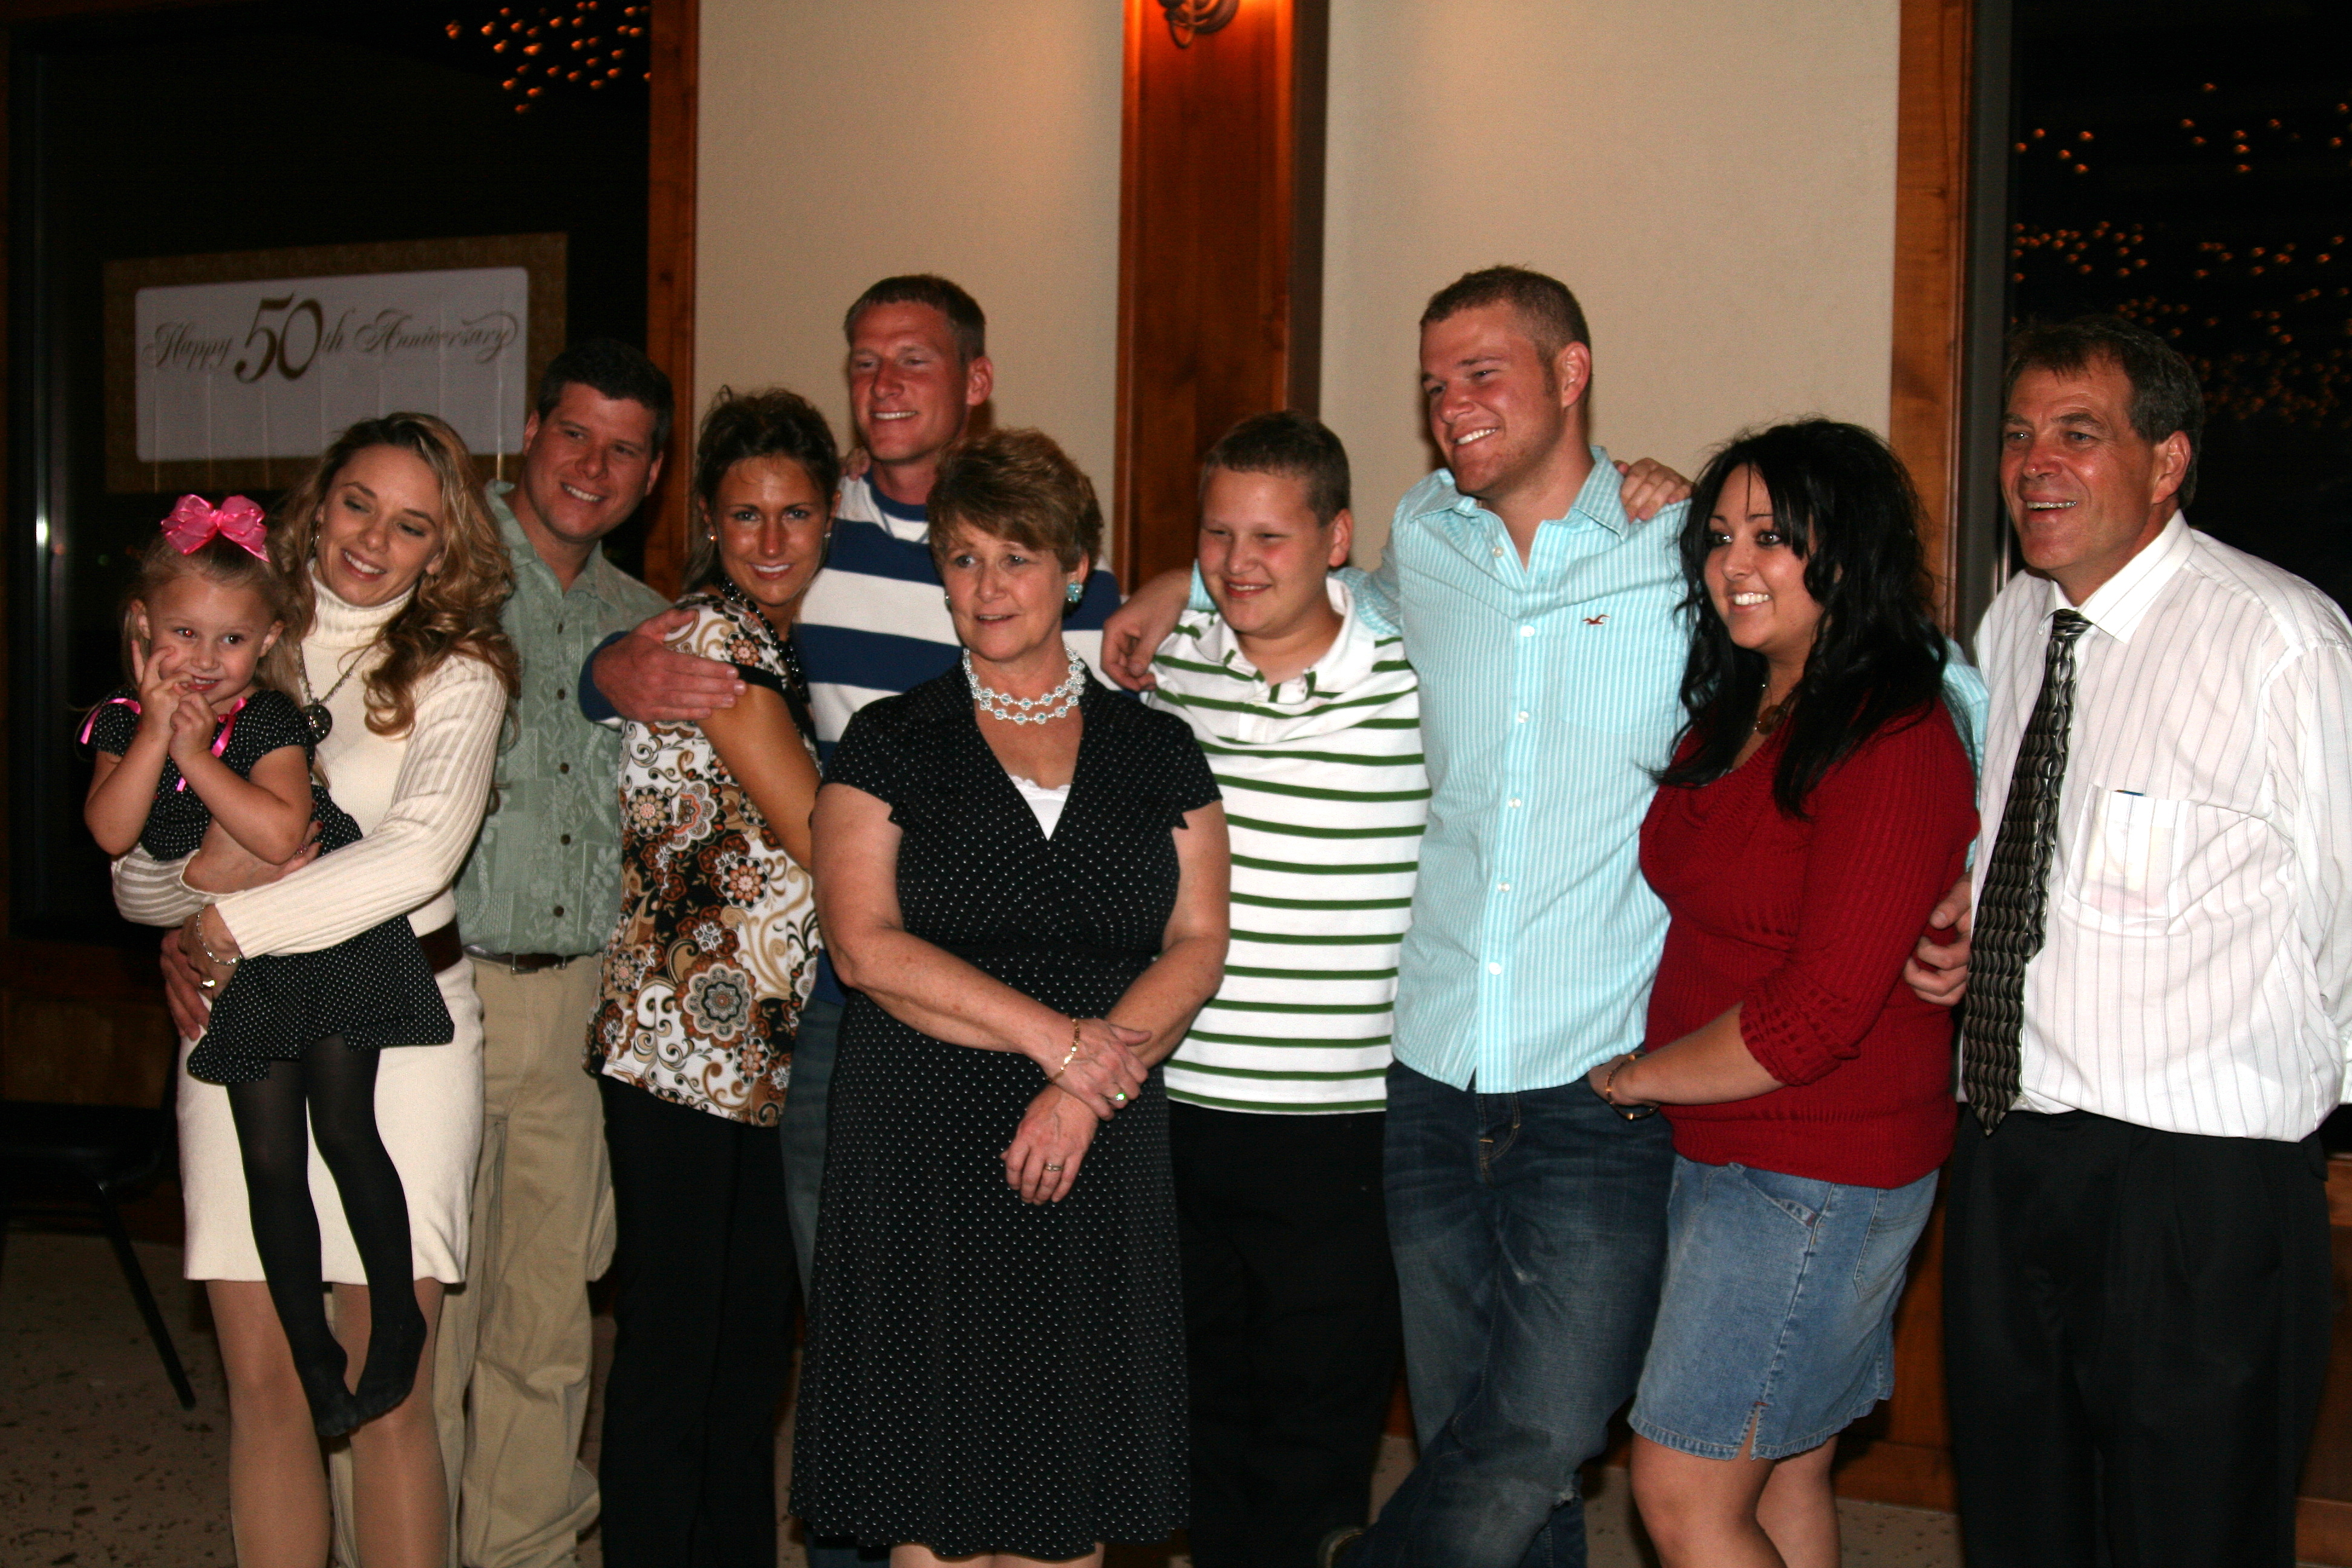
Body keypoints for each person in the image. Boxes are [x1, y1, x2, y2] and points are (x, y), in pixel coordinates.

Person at [1103, 267, 1981, 1568]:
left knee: (1543, 1428)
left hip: (1601, 1078)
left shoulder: (1685, 549)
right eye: (1434, 383)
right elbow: (1316, 593)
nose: (1453, 404)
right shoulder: (1426, 538)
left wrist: (1958, 875)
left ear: (1572, 374)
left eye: (1484, 372)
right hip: (1430, 1066)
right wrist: (1179, 580)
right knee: (1478, 1432)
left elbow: (1920, 668)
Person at [578, 277, 1122, 1322]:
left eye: (914, 360)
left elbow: (1124, 740)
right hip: (840, 996)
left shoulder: (1041, 561)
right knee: (847, 1297)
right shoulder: (812, 544)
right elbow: (692, 633)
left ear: (977, 381)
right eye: (864, 362)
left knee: (1010, 1299)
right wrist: (603, 671)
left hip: (1012, 987)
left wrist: (1173, 593)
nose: (884, 384)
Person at [1943, 316, 2352, 1568]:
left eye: (2080, 434)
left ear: (2167, 462)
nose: (2036, 464)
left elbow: (2344, 906)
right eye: (2019, 434)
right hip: (2009, 1145)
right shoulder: (2015, 623)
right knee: (2021, 1520)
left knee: (2195, 1533)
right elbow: (2016, 854)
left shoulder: (2279, 638)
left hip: (2199, 1181)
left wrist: (2304, 1118)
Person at [789, 428, 1229, 1567]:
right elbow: (864, 947)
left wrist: (1085, 1088)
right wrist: (1058, 1045)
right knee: (930, 1514)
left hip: (1098, 1138)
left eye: (1018, 557)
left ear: (1076, 571)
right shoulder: (889, 741)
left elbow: (1198, 945)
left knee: (1063, 1498)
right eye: (965, 558)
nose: (989, 587)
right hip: (920, 1139)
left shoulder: (1158, 749)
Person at [122, 413, 518, 1568]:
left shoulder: (460, 672)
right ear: (319, 501)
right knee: (267, 1389)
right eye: (358, 504)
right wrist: (188, 911)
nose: (373, 540)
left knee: (390, 1401)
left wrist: (226, 919)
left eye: (412, 525)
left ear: (444, 550)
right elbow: (138, 875)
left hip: (403, 1039)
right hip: (240, 1022)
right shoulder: (234, 639)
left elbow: (417, 857)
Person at [1586, 422, 1976, 1568]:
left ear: (1846, 552)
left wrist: (1634, 1079)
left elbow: (1813, 1019)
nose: (1734, 564)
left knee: (1682, 1493)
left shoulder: (1892, 735)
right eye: (1718, 538)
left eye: (1772, 536)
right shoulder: (1748, 703)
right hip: (1736, 1148)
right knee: (1786, 1465)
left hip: (1815, 1165)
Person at [87, 498, 462, 1439]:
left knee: (344, 1129)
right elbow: (111, 832)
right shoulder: (120, 724)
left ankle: (398, 1319)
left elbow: (281, 829)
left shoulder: (267, 719)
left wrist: (195, 754)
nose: (204, 659)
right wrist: (154, 737)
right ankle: (314, 1361)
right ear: (142, 628)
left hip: (329, 940)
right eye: (183, 633)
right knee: (267, 1161)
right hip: (249, 968)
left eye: (231, 639)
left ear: (266, 643)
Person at [1142, 411, 1420, 1568]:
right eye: (1216, 535)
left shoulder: (1420, 672)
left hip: (1341, 1123)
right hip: (1175, 1103)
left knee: (1316, 1436)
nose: (1238, 563)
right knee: (1196, 1415)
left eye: (1270, 536)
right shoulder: (1161, 668)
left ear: (1337, 539)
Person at [437, 339, 673, 1568]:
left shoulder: (650, 620)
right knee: (422, 1316)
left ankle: (520, 1549)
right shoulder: (442, 569)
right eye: (574, 433)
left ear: (653, 473)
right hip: (438, 990)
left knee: (547, 1318)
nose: (594, 465)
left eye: (625, 448)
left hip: (582, 1005)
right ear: (530, 431)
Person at [588, 387, 833, 1564]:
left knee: (744, 1359)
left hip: (757, 1056)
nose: (771, 541)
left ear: (828, 520)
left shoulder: (780, 643)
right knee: (678, 1354)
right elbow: (820, 832)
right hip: (679, 1055)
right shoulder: (714, 644)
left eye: (795, 514)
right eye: (745, 516)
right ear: (707, 522)